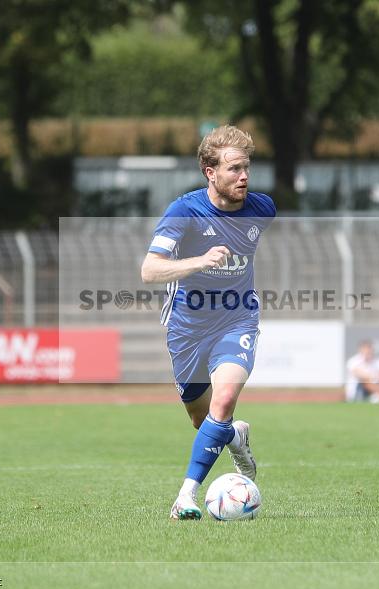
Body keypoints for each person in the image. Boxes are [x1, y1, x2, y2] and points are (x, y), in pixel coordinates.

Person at [140, 125, 276, 520]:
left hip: (237, 319)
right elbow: (149, 271)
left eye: (246, 167)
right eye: (234, 169)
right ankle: (234, 434)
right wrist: (198, 261)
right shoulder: (185, 212)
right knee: (204, 422)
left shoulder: (262, 208)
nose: (244, 176)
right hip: (187, 327)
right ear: (209, 171)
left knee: (224, 400)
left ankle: (186, 495)